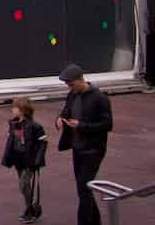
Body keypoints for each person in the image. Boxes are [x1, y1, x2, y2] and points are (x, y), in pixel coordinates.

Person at [55, 63, 112, 225]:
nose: (70, 87)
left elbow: (108, 124)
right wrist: (59, 118)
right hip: (77, 147)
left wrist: (81, 126)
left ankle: (84, 221)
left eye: (71, 84)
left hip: (93, 150)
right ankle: (95, 221)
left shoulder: (100, 98)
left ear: (81, 80)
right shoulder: (72, 95)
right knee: (83, 188)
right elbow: (66, 110)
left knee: (84, 188)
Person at [0, 96, 47, 222]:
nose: (12, 110)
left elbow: (43, 143)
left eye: (14, 108)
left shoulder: (35, 126)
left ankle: (30, 208)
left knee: (23, 184)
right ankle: (29, 207)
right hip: (18, 159)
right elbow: (11, 141)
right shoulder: (13, 124)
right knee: (24, 185)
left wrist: (38, 160)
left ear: (22, 110)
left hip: (29, 160)